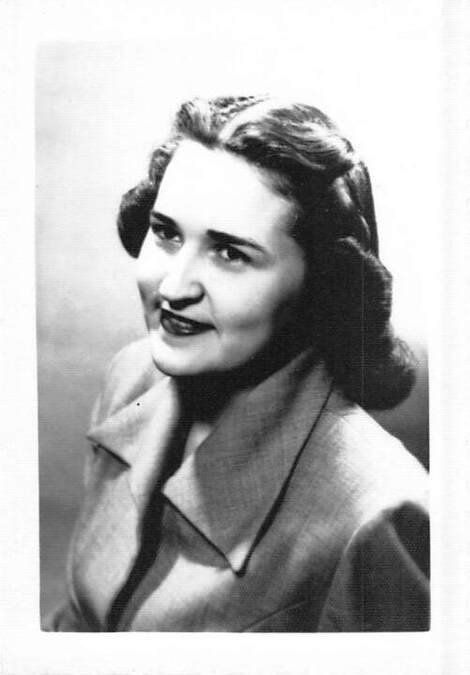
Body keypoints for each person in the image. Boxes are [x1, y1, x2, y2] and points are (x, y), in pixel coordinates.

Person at [46, 95, 429, 632]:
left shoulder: (380, 512)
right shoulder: (130, 377)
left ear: (323, 282)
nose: (174, 287)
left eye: (230, 253)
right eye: (166, 232)